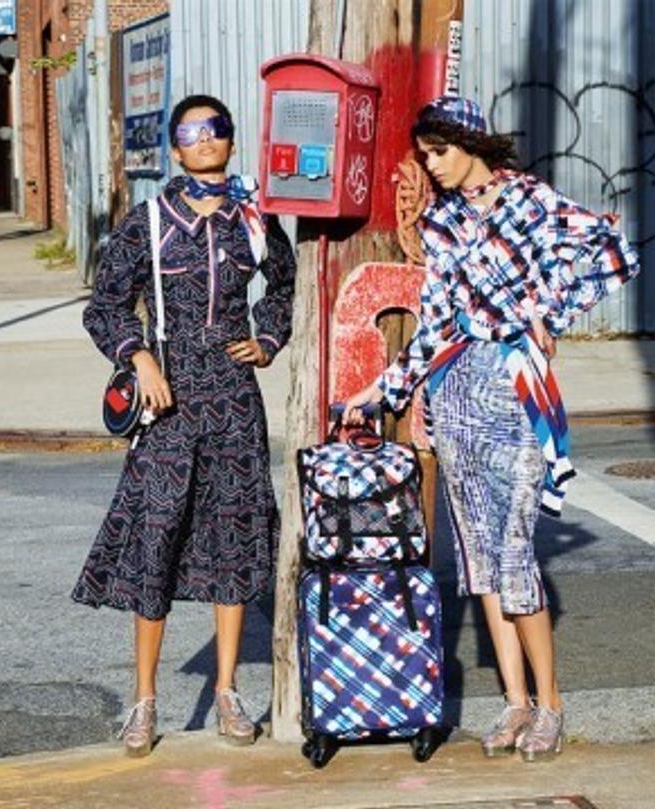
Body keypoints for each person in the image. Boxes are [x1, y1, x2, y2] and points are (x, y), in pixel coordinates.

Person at [343, 96, 640, 762]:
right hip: (456, 394)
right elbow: (437, 322)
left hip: (515, 390)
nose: (433, 165)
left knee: (514, 557)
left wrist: (547, 312)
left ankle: (551, 704)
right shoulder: (444, 223)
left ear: (470, 141)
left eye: (440, 151)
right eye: (424, 155)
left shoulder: (530, 201)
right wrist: (383, 388)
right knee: (479, 560)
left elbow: (612, 252)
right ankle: (513, 702)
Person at [72, 95, 296, 757]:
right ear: (174, 148)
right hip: (168, 397)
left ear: (230, 140)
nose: (205, 141)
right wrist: (137, 355)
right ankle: (144, 700)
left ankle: (227, 689)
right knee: (158, 536)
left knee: (232, 533)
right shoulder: (147, 220)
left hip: (233, 393)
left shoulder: (252, 217)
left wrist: (269, 336)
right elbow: (105, 304)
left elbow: (285, 282)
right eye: (191, 133)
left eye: (216, 130)